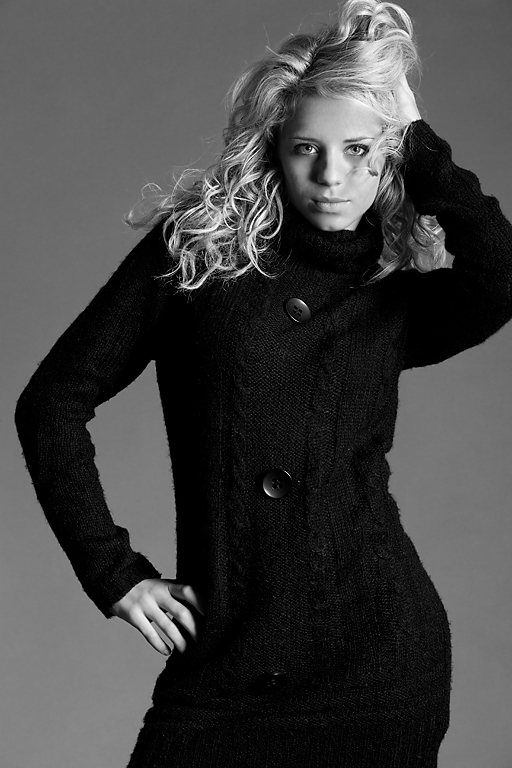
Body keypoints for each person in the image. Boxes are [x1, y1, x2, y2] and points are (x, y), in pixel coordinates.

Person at [14, 1, 512, 766]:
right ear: (275, 145)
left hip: (379, 668)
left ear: (389, 156)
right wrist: (112, 573)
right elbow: (51, 403)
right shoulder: (196, 254)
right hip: (227, 667)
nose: (331, 175)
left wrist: (416, 136)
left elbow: (500, 274)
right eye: (307, 147)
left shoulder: (390, 291)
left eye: (359, 148)